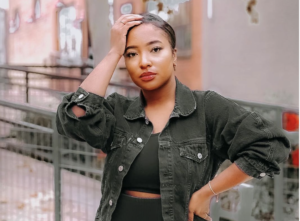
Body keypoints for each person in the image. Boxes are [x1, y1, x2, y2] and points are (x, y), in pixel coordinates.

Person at [56, 13, 291, 221]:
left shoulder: (207, 108)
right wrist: (113, 52)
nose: (144, 61)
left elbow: (270, 145)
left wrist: (208, 190)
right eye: (131, 54)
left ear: (174, 55)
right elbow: (74, 116)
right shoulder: (119, 110)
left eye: (155, 49)